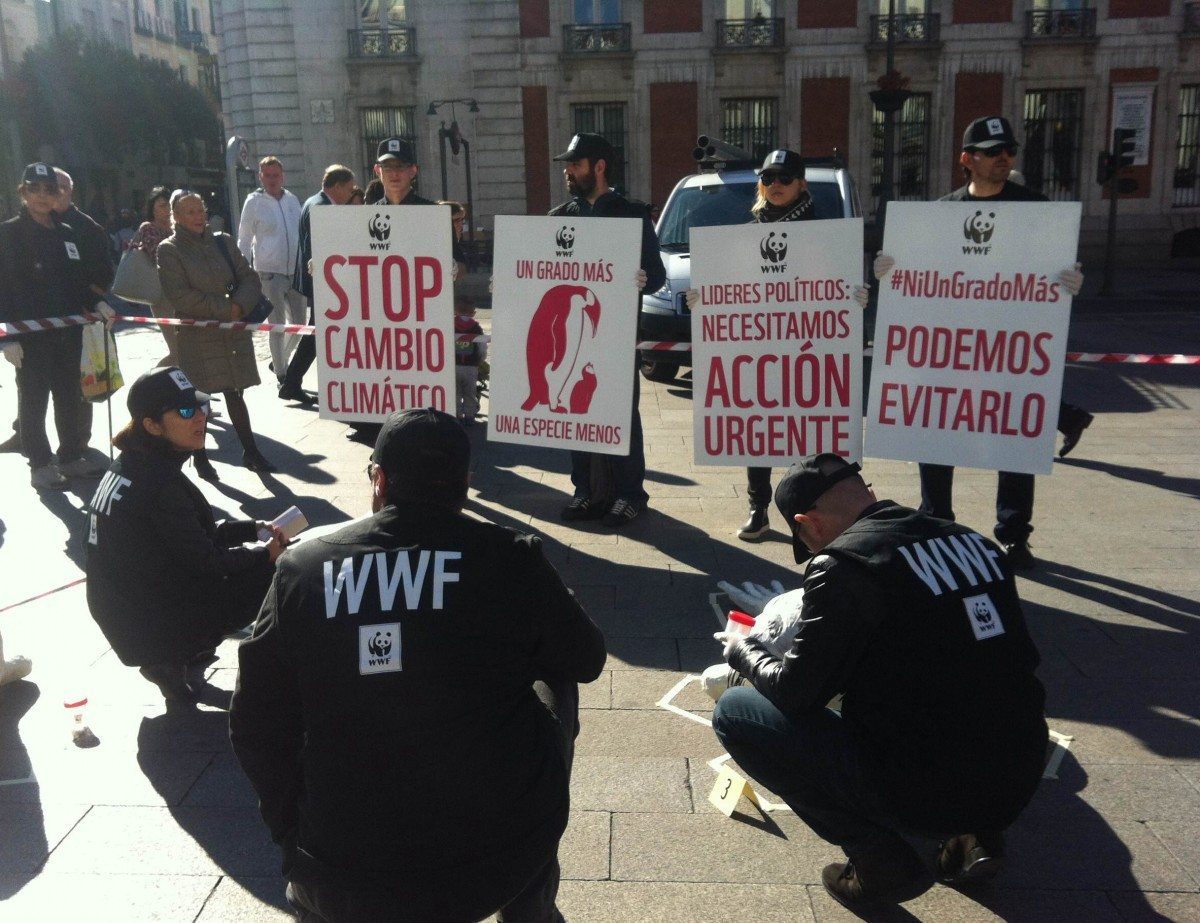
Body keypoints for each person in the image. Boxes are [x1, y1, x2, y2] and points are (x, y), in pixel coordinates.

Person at [230, 408, 606, 923]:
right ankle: (531, 905)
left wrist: (292, 834)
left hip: (337, 870)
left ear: (379, 480)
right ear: (466, 484)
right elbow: (587, 659)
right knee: (555, 671)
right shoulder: (511, 557)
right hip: (491, 869)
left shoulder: (303, 568)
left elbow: (254, 720)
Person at [710, 453, 1048, 910]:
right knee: (969, 686)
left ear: (807, 525)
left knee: (735, 713)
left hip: (920, 788)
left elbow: (795, 693)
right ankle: (977, 836)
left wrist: (745, 648)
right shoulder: (975, 543)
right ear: (868, 493)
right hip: (1020, 772)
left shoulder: (844, 565)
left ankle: (879, 860)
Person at [873, 115, 1088, 569]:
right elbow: (919, 275)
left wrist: (1069, 280)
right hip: (948, 345)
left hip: (1008, 345)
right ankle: (937, 522)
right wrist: (890, 271)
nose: (1004, 157)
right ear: (967, 160)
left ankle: (1014, 534)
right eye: (993, 151)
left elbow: (1049, 271)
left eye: (1009, 149)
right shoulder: (940, 214)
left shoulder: (1036, 209)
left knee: (1015, 437)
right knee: (933, 428)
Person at [684, 149, 870, 542]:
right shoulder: (747, 234)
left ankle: (828, 510)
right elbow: (731, 287)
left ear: (801, 183)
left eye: (785, 178)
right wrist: (704, 302)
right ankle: (759, 507)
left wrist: (858, 296)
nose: (776, 185)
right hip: (760, 345)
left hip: (810, 346)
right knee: (759, 423)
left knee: (816, 429)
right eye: (768, 179)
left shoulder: (827, 235)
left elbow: (837, 286)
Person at [84, 367, 283, 703]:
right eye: (186, 412)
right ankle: (173, 655)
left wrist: (251, 529)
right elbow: (206, 562)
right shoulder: (159, 484)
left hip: (124, 609)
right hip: (145, 621)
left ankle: (181, 650)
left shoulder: (134, 463)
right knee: (280, 571)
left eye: (202, 408)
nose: (200, 419)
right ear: (152, 426)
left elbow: (186, 538)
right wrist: (266, 555)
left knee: (253, 564)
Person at [551, 132, 666, 527]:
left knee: (620, 415)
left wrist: (642, 277)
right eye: (568, 164)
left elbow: (658, 278)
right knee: (573, 412)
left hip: (616, 335)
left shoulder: (632, 214)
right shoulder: (560, 218)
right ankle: (585, 491)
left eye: (575, 163)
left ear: (599, 167)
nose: (568, 170)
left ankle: (630, 494)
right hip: (572, 334)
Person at [0, 163, 113, 490]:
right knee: (34, 401)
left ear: (57, 195)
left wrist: (97, 304)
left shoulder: (66, 233)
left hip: (67, 332)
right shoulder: (8, 234)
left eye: (48, 190)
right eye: (33, 189)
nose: (41, 196)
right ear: (23, 192)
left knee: (69, 397)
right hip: (29, 336)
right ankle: (40, 464)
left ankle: (70, 456)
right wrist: (7, 336)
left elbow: (76, 282)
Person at [157, 189, 276, 478]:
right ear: (176, 216)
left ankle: (252, 451)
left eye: (201, 211)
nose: (198, 217)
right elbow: (181, 296)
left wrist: (239, 306)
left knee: (235, 392)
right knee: (198, 400)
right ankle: (199, 457)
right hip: (198, 336)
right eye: (190, 212)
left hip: (231, 334)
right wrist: (226, 309)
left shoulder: (223, 241)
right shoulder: (170, 249)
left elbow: (249, 277)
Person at [279, 164, 357, 406]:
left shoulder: (315, 202)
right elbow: (319, 246)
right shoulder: (321, 207)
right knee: (318, 334)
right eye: (349, 188)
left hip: (322, 281)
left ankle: (291, 382)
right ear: (338, 186)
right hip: (325, 282)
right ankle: (291, 382)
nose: (351, 194)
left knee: (317, 334)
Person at [237, 156, 307, 389]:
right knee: (277, 326)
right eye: (267, 175)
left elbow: (302, 233)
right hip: (269, 273)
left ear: (282, 176)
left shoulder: (292, 200)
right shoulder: (253, 202)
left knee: (299, 325)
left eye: (275, 175)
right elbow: (244, 239)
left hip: (295, 272)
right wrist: (241, 273)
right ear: (260, 176)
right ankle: (282, 375)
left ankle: (279, 362)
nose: (272, 180)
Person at [130, 186, 179, 366]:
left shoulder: (177, 229)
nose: (167, 210)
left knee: (187, 349)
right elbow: (159, 256)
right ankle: (152, 382)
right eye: (162, 206)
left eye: (170, 206)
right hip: (160, 294)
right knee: (177, 351)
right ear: (152, 209)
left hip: (181, 293)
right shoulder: (149, 228)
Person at [453, 295, 486, 424]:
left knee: (455, 392)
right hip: (471, 367)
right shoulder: (476, 328)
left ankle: (456, 414)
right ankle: (469, 415)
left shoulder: (450, 325)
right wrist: (480, 360)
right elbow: (482, 348)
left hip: (453, 365)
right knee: (470, 392)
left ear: (456, 310)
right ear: (473, 313)